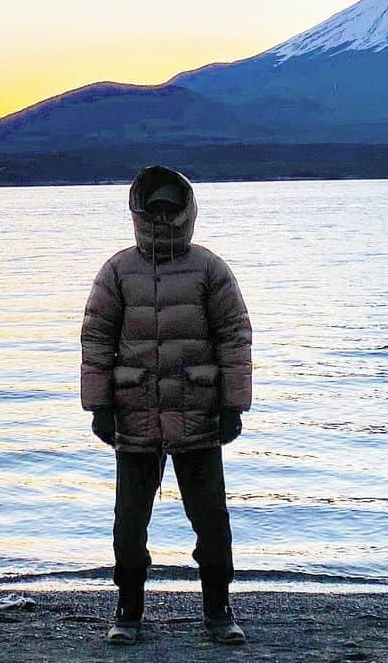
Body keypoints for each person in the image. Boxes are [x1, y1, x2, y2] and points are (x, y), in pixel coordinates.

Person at [80, 164, 253, 645]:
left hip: (198, 414)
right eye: (153, 207)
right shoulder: (117, 271)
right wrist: (100, 406)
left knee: (212, 521)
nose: (161, 215)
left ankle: (219, 611)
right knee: (129, 525)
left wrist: (231, 405)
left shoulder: (210, 269)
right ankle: (128, 611)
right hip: (134, 415)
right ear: (140, 209)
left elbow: (235, 336)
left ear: (185, 209)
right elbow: (96, 338)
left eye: (169, 206)